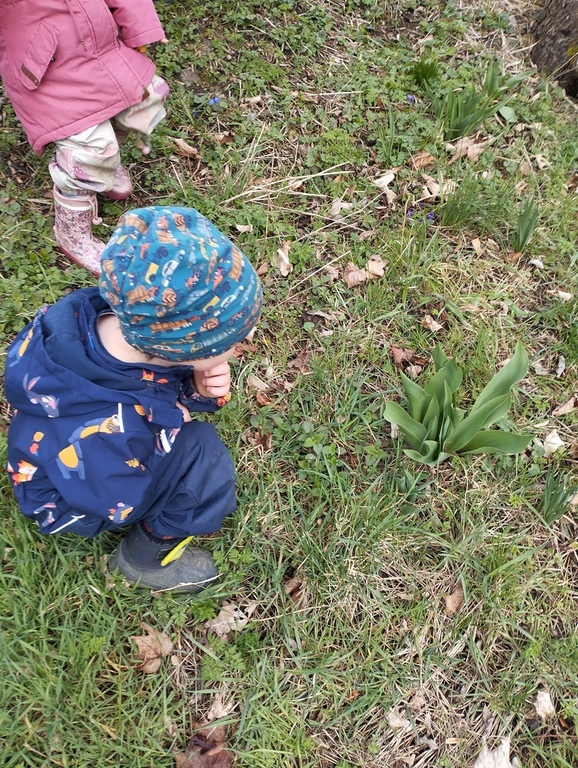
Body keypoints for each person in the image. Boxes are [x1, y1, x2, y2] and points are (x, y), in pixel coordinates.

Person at [4, 206, 264, 593]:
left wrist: (195, 390)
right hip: (77, 495)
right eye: (233, 340)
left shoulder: (111, 325)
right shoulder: (101, 431)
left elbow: (153, 382)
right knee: (204, 460)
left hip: (82, 462)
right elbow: (114, 496)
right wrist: (170, 427)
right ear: (184, 350)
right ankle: (144, 559)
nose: (245, 342)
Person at [0, 0, 169, 275]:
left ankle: (106, 158)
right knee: (87, 148)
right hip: (48, 65)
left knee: (147, 95)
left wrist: (140, 25)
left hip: (101, 49)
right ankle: (72, 232)